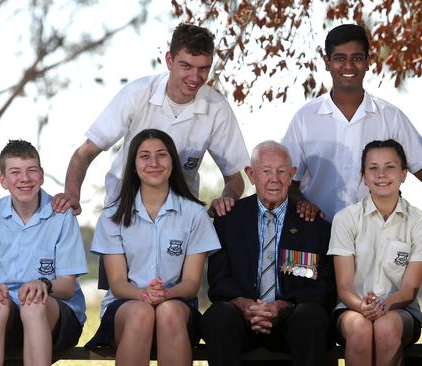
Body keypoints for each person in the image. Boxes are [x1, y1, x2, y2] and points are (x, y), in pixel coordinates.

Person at [282, 23, 422, 222]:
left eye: (357, 58)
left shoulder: (390, 116)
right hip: (316, 235)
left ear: (368, 62)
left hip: (375, 239)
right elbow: (286, 181)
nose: (349, 66)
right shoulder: (305, 118)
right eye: (340, 58)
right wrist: (301, 202)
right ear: (327, 62)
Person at [52, 23, 249, 217]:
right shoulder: (137, 94)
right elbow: (85, 153)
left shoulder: (217, 108)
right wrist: (71, 195)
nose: (195, 77)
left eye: (203, 68)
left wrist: (226, 199)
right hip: (124, 208)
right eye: (186, 66)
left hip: (181, 216)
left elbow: (234, 179)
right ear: (169, 60)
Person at [85, 129, 220, 365]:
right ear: (133, 165)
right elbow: (117, 284)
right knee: (141, 313)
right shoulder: (112, 217)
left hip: (177, 305)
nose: (154, 163)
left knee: (167, 311)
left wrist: (165, 295)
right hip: (125, 307)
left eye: (162, 155)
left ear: (173, 162)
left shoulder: (194, 214)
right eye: (144, 156)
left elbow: (190, 284)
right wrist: (144, 295)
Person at [201, 141, 336, 366]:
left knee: (311, 317)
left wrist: (283, 306)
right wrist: (245, 305)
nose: (274, 179)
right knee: (218, 316)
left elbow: (323, 286)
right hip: (242, 319)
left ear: (292, 174)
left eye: (282, 171)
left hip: (292, 320)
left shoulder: (313, 224)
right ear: (251, 174)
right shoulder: (229, 220)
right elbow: (218, 280)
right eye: (266, 171)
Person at [0, 140, 87, 366]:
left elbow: (68, 288)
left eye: (31, 170)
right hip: (5, 320)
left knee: (33, 302)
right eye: (15, 172)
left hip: (55, 315)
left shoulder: (61, 215)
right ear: (3, 180)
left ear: (41, 175)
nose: (25, 179)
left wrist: (44, 285)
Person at [328, 139, 422, 366]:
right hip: (351, 309)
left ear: (404, 174)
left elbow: (409, 291)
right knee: (360, 329)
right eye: (373, 168)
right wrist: (362, 307)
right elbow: (345, 286)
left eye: (390, 167)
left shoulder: (421, 222)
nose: (381, 174)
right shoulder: (345, 219)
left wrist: (383, 305)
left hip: (401, 311)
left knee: (385, 326)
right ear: (363, 177)